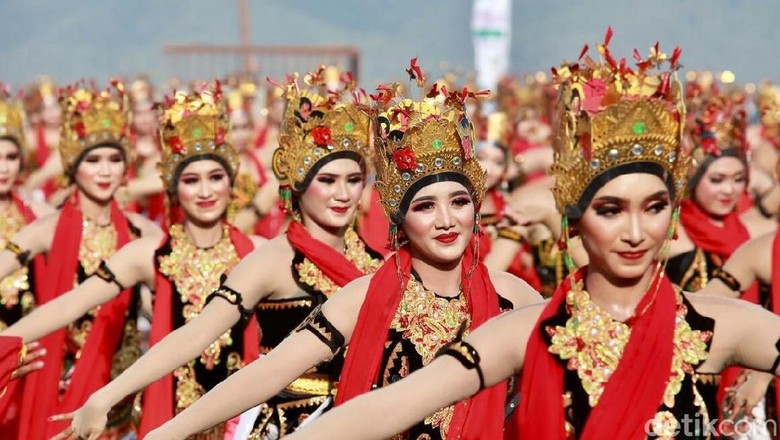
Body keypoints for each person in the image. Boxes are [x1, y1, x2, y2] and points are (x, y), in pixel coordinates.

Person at [282, 35, 780, 440]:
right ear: (575, 219)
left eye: (653, 208)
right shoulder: (528, 330)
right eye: (610, 210)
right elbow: (383, 410)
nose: (635, 232)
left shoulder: (718, 325)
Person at [142, 60, 542, 440]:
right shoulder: (366, 295)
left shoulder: (516, 297)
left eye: (458, 202)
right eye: (425, 206)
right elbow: (271, 371)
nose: (446, 220)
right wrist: (171, 431)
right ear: (399, 217)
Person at [57, 70, 384, 439]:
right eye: (327, 181)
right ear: (298, 184)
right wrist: (106, 397)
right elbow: (197, 333)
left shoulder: (380, 263)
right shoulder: (272, 259)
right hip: (286, 425)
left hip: (361, 421)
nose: (343, 194)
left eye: (353, 180)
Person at [0, 82, 161, 439]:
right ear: (74, 164)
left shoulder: (145, 235)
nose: (105, 171)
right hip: (54, 380)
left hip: (118, 387)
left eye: (114, 159)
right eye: (93, 160)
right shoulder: (48, 227)